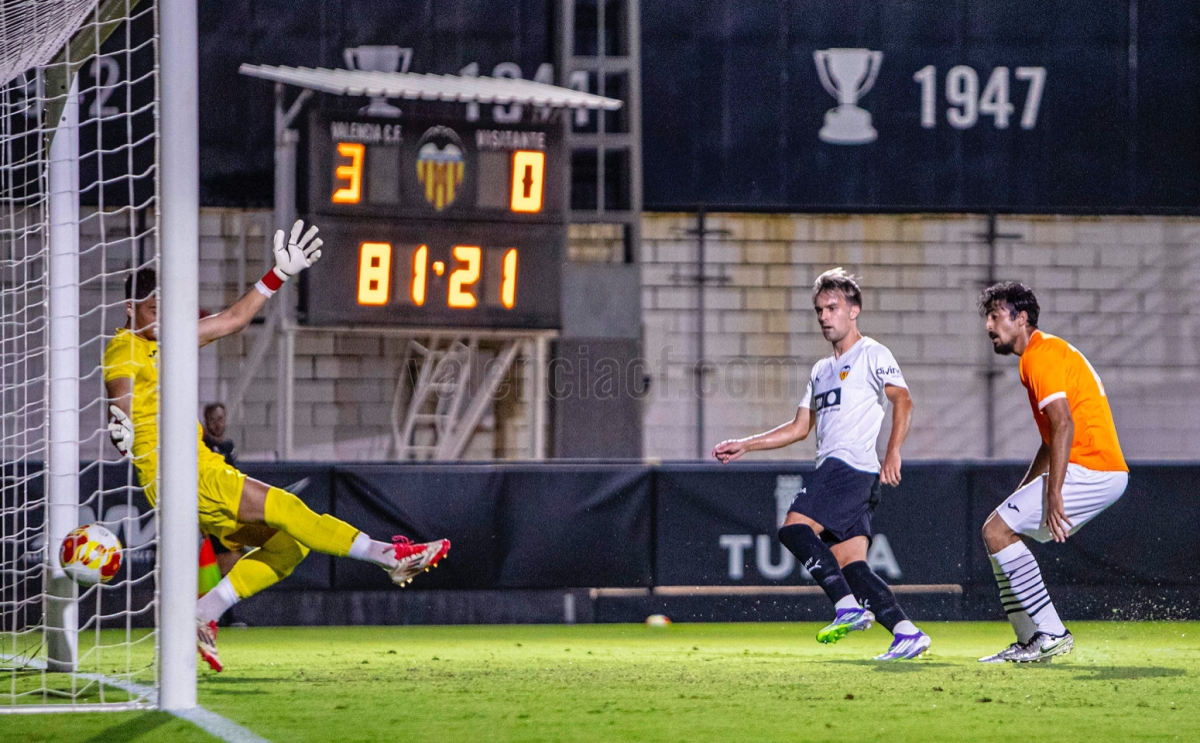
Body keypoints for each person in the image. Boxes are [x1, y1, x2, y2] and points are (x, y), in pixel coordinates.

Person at [103, 221, 451, 673]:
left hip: (194, 471)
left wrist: (278, 275)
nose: (162, 318)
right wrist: (121, 424)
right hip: (181, 471)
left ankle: (204, 612)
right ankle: (388, 556)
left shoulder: (167, 340)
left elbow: (232, 320)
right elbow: (121, 395)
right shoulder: (124, 346)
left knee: (289, 548)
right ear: (131, 309)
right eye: (153, 309)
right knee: (287, 508)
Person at [713, 268, 930, 661]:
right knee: (852, 566)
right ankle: (906, 632)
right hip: (846, 474)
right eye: (819, 310)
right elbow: (799, 427)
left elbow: (903, 401)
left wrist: (894, 450)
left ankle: (846, 608)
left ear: (854, 311)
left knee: (793, 529)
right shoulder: (820, 370)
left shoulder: (872, 354)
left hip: (849, 467)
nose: (825, 317)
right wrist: (746, 444)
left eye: (833, 308)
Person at [977, 282, 1128, 663]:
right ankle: (1031, 640)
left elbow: (1064, 426)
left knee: (997, 531)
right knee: (997, 530)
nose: (988, 326)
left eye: (995, 316)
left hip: (1092, 467)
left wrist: (1053, 493)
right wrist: (1028, 489)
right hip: (1094, 467)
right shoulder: (1043, 352)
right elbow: (1051, 439)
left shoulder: (1037, 356)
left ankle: (1052, 633)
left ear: (1021, 318)